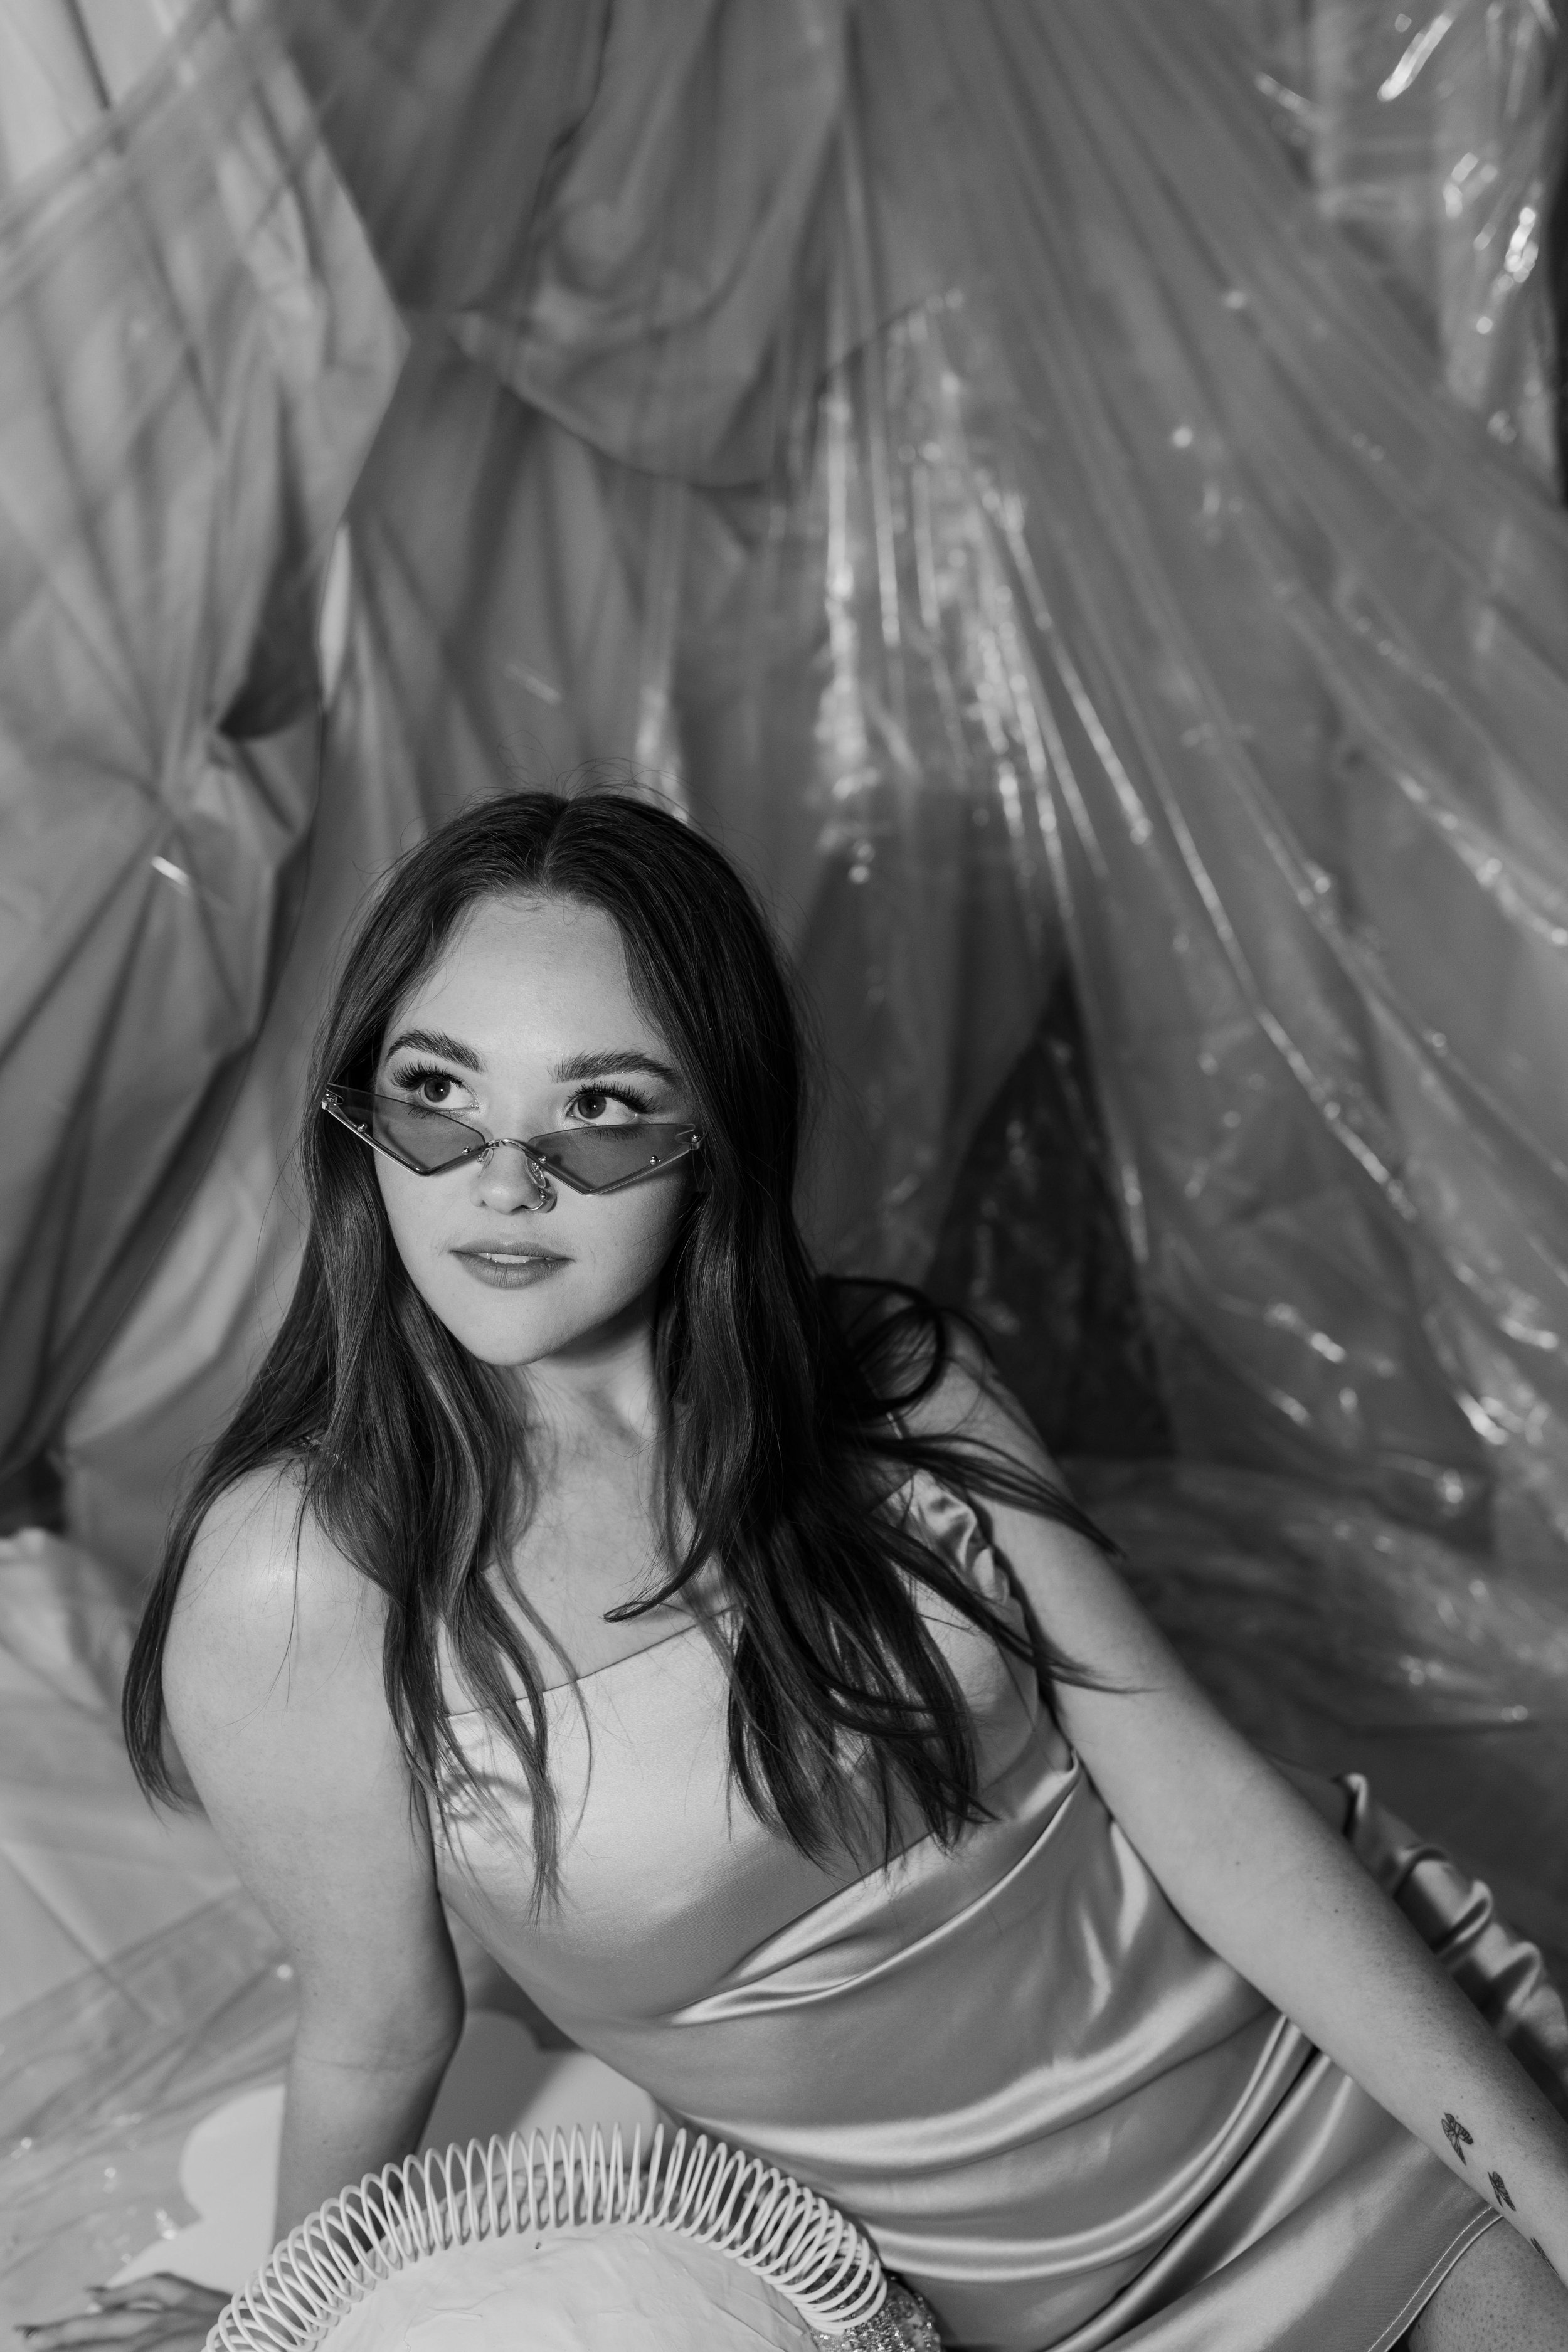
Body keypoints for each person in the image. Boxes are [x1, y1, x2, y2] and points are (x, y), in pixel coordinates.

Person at [27, 790, 1568, 2352]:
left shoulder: (896, 1378)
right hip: (983, 2309)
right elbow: (376, 2031)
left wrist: (1547, 2197)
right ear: (359, 1113)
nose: (502, 1183)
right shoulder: (303, 1573)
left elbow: (1196, 1794)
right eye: (437, 1093)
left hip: (1330, 2107)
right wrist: (278, 2321)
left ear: (715, 1144)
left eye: (597, 1108)